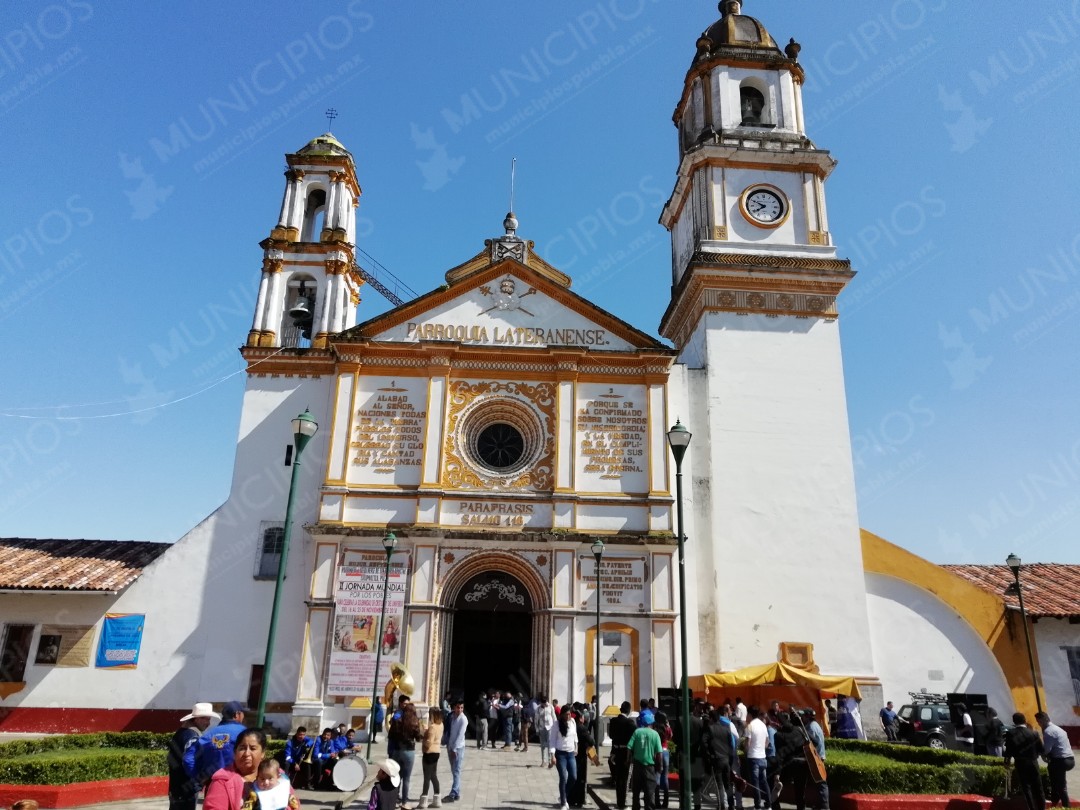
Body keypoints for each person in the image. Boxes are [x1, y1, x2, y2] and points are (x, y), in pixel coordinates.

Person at [203, 728, 299, 810]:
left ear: (262, 753)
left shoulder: (276, 774)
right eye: (242, 748)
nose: (246, 754)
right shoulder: (222, 780)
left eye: (253, 748)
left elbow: (295, 803)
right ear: (235, 752)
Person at [185, 701, 249, 788]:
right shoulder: (245, 733)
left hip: (212, 786)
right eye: (243, 714)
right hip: (237, 786)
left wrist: (199, 778)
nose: (243, 717)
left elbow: (188, 759)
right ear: (237, 715)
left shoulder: (208, 735)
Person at [168, 702, 219, 810]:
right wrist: (198, 779)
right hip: (186, 790)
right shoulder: (192, 737)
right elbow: (188, 761)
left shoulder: (180, 733)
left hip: (176, 787)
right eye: (206, 719)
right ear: (197, 719)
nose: (208, 723)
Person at [1004, 712, 1045, 810]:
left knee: (1026, 788)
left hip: (1020, 762)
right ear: (1025, 720)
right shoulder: (1034, 733)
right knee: (1038, 786)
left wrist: (1007, 761)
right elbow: (1041, 749)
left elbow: (1008, 750)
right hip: (1033, 762)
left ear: (1014, 722)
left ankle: (1030, 808)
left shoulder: (1010, 733)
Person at [1035, 711, 1074, 808]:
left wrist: (1038, 751)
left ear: (1042, 720)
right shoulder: (1059, 729)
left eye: (1038, 722)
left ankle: (1066, 806)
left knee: (1058, 784)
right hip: (1070, 759)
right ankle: (1055, 803)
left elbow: (1046, 750)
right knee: (1058, 782)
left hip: (1060, 761)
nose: (1038, 724)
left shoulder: (1049, 732)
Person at [389, 700, 424, 807]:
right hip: (409, 751)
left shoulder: (398, 720)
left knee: (396, 777)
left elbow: (391, 734)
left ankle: (394, 800)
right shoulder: (414, 722)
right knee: (407, 779)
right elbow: (418, 738)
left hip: (397, 750)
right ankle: (404, 802)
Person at [627, 711, 663, 810]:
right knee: (650, 791)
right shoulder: (655, 734)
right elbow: (659, 753)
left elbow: (629, 747)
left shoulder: (637, 732)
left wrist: (628, 760)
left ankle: (636, 807)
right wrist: (659, 766)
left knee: (636, 791)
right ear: (651, 723)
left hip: (637, 766)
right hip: (649, 766)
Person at [549, 704, 581, 810]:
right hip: (560, 754)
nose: (568, 716)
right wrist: (552, 755)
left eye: (570, 714)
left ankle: (563, 795)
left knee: (573, 777)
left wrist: (576, 747)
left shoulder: (572, 722)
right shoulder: (556, 724)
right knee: (563, 777)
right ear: (562, 714)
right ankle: (563, 802)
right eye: (566, 714)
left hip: (571, 753)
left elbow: (575, 735)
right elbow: (552, 740)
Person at [569, 704, 600, 808]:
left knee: (572, 777)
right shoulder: (581, 728)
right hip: (581, 756)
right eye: (583, 717)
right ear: (580, 718)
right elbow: (591, 741)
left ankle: (571, 798)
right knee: (580, 778)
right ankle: (579, 799)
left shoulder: (572, 726)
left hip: (572, 755)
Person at [609, 701, 637, 810]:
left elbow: (611, 736)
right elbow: (634, 739)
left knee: (618, 777)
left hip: (616, 751)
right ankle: (623, 802)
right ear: (629, 711)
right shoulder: (630, 723)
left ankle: (619, 801)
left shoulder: (613, 721)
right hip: (626, 752)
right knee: (625, 778)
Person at [800, 709, 830, 810]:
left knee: (821, 784)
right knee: (818, 784)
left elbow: (811, 744)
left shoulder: (811, 727)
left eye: (803, 716)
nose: (802, 718)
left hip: (816, 758)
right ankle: (820, 805)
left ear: (808, 716)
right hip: (818, 757)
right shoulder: (815, 725)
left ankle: (825, 807)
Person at [417, 707, 443, 809]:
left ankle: (424, 800)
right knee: (433, 775)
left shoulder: (432, 727)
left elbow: (429, 742)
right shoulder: (440, 725)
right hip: (436, 752)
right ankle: (437, 798)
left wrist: (424, 734)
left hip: (429, 752)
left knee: (427, 777)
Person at [443, 699, 468, 804]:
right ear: (454, 707)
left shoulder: (463, 719)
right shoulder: (451, 717)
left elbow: (460, 735)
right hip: (450, 746)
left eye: (462, 707)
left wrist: (454, 749)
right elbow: (448, 730)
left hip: (458, 748)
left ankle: (453, 794)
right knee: (454, 770)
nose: (460, 710)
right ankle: (457, 792)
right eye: (458, 707)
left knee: (457, 770)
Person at [745, 707, 770, 810]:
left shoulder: (750, 726)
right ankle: (768, 804)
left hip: (753, 758)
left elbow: (747, 743)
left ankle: (758, 805)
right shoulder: (763, 725)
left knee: (755, 783)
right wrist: (761, 748)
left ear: (750, 714)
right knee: (764, 781)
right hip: (762, 757)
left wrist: (747, 752)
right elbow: (767, 742)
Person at [654, 711, 673, 809]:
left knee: (656, 776)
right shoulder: (666, 728)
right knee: (665, 777)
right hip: (665, 751)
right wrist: (668, 725)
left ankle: (657, 801)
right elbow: (670, 737)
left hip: (656, 752)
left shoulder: (654, 728)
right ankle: (666, 801)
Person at [537, 694, 556, 766]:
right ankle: (543, 760)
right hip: (542, 728)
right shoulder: (538, 708)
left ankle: (549, 760)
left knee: (549, 744)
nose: (545, 704)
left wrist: (555, 727)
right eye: (543, 703)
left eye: (546, 703)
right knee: (543, 745)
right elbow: (536, 719)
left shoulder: (551, 707)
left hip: (550, 728)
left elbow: (554, 717)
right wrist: (537, 729)